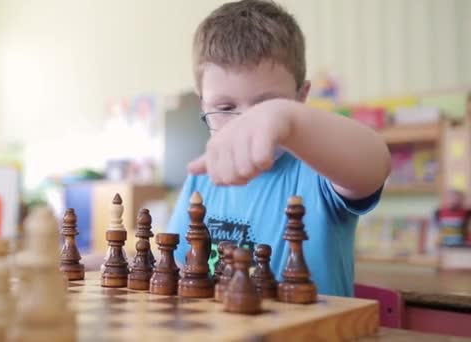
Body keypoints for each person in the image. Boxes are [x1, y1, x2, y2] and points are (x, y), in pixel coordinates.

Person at [167, 0, 391, 297]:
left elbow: (374, 163)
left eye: (266, 105)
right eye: (224, 106)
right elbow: (178, 265)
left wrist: (286, 120)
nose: (245, 123)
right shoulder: (202, 178)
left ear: (301, 98)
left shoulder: (318, 166)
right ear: (202, 104)